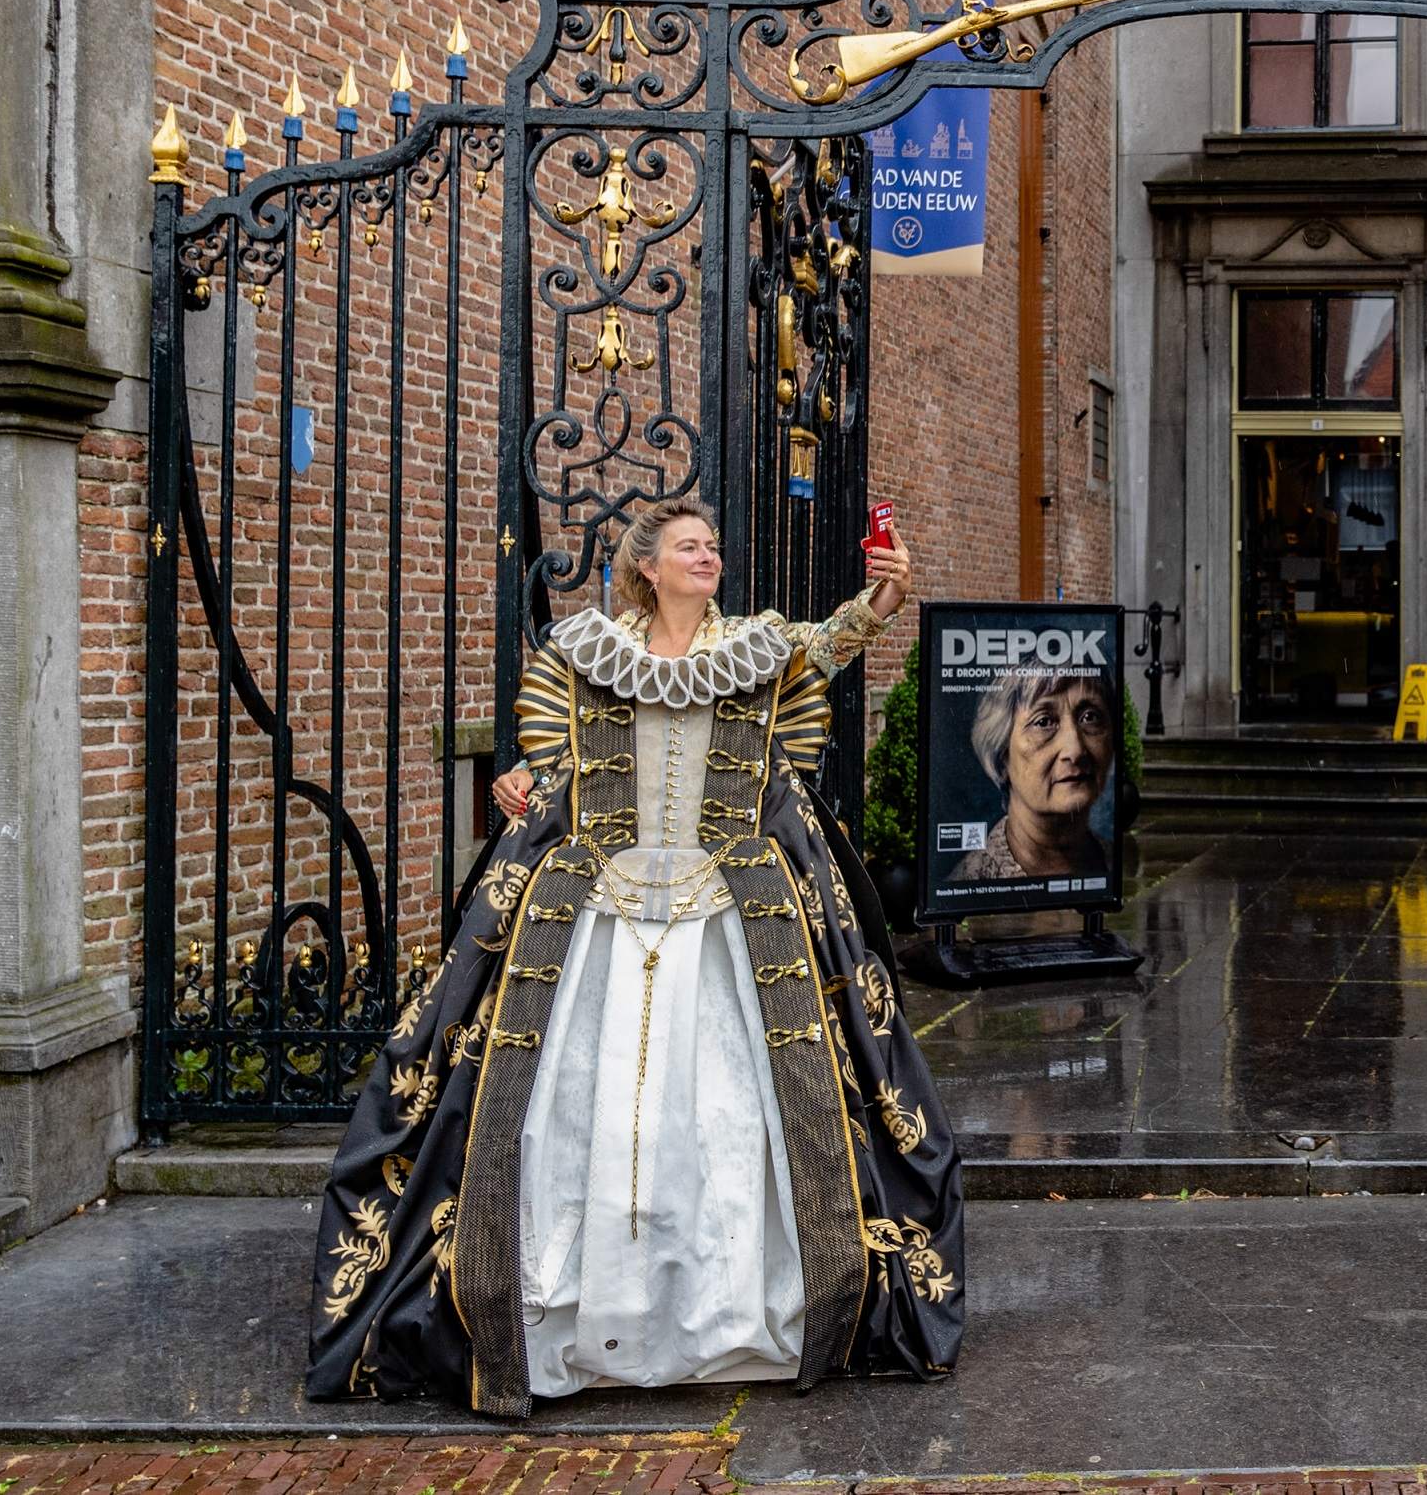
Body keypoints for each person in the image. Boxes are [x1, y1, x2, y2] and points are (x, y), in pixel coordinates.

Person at [306, 499, 965, 1418]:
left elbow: (828, 642)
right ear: (646, 565)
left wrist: (882, 599)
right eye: (691, 546)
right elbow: (553, 763)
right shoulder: (587, 650)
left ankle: (734, 1319)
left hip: (731, 917)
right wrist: (523, 782)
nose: (710, 557)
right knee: (579, 1122)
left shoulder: (756, 648)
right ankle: (565, 1318)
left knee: (731, 1126)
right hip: (598, 917)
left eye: (714, 545)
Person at [947, 671, 1116, 880]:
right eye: (1043, 722)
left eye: (1089, 717)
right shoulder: (970, 881)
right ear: (1001, 760)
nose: (1075, 751)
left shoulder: (1116, 866)